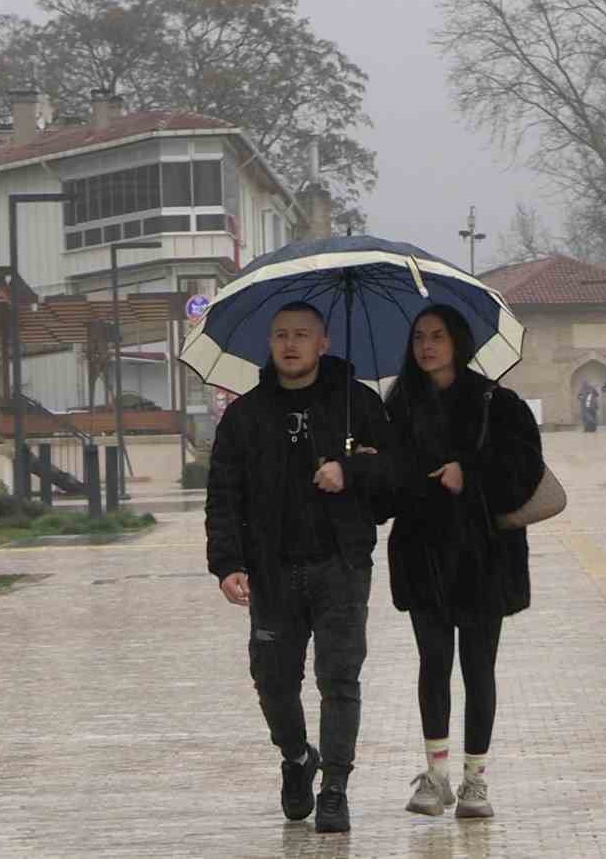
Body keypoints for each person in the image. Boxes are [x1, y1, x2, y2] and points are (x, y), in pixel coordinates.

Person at [205, 301, 395, 835]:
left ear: (324, 343)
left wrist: (351, 470)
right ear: (270, 344)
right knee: (273, 681)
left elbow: (395, 474)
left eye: (303, 335)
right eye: (281, 335)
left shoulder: (357, 404)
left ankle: (335, 787)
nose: (291, 344)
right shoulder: (245, 415)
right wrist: (227, 564)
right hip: (271, 571)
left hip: (341, 565)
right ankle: (296, 758)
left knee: (339, 679)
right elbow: (223, 493)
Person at [383, 305, 543, 820]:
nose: (426, 345)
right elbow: (387, 485)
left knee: (479, 668)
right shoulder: (397, 406)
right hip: (422, 555)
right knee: (433, 663)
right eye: (418, 336)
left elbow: (525, 471)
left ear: (458, 341)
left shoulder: (498, 403)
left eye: (437, 336)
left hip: (483, 559)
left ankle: (476, 780)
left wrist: (469, 473)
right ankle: (436, 775)